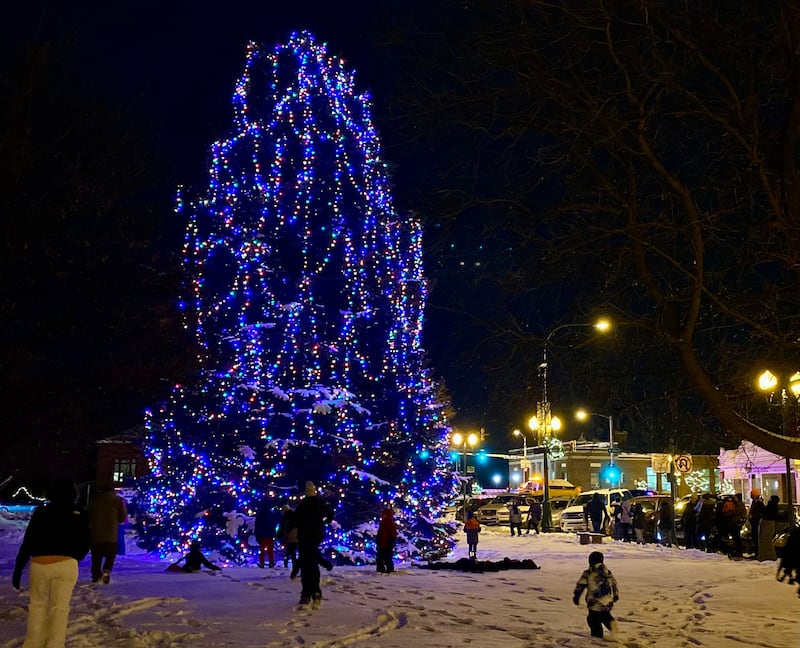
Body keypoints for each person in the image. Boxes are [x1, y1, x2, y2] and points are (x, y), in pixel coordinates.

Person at [13, 476, 90, 648]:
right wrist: (74, 557)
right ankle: (55, 643)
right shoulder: (80, 513)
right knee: (59, 608)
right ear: (73, 493)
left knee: (37, 606)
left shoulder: (41, 512)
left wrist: (18, 568)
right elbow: (86, 541)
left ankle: (33, 642)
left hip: (40, 563)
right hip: (67, 564)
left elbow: (29, 541)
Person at [294, 481, 333, 605]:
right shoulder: (319, 503)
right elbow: (330, 513)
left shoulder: (303, 504)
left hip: (304, 537)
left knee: (306, 564)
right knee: (313, 560)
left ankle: (306, 593)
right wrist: (324, 522)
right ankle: (315, 590)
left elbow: (295, 519)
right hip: (316, 535)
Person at [572, 550, 619, 639]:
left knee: (592, 619)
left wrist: (576, 596)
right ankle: (611, 623)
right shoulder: (607, 572)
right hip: (607, 601)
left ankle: (597, 635)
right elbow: (613, 583)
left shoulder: (588, 573)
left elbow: (581, 585)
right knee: (605, 615)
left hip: (594, 602)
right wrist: (615, 595)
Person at [87, 483, 128, 583]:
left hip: (96, 534)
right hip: (111, 535)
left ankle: (96, 575)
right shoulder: (117, 501)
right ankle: (106, 569)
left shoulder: (95, 500)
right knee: (110, 554)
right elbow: (123, 518)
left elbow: (88, 515)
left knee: (96, 557)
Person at [254, 498, 281, 568]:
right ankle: (271, 562)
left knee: (262, 550)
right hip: (270, 534)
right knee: (270, 550)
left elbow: (257, 525)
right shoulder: (271, 514)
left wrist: (257, 534)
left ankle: (262, 563)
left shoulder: (259, 514)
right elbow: (274, 523)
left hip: (262, 535)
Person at [375, 508, 397, 573]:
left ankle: (384, 569)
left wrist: (382, 542)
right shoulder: (388, 522)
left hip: (385, 542)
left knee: (383, 557)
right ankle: (387, 569)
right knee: (385, 557)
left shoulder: (387, 522)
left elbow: (384, 533)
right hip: (385, 542)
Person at [758, 495, 779, 561]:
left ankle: (769, 556)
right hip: (767, 524)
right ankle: (767, 556)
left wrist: (761, 503)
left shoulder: (771, 506)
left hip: (767, 524)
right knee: (766, 540)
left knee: (766, 540)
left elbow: (764, 511)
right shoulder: (773, 506)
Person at [279, 505, 298, 570]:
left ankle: (286, 563)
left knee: (287, 552)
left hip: (288, 537)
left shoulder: (285, 518)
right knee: (293, 552)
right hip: (295, 537)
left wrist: (280, 536)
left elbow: (283, 528)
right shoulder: (294, 516)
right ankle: (294, 563)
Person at [747, 490, 765, 557]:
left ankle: (758, 552)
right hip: (754, 522)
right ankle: (757, 552)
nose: (750, 495)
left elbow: (760, 512)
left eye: (751, 494)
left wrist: (753, 516)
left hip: (756, 522)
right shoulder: (755, 502)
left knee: (757, 537)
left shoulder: (758, 502)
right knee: (755, 537)